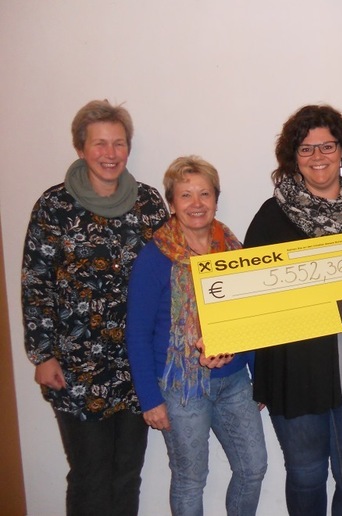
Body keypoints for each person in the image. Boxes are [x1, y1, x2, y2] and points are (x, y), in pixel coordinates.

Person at [244, 104, 342, 516]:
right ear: (293, 157)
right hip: (294, 372)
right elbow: (249, 299)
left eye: (327, 146)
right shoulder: (271, 216)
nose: (318, 156)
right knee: (305, 477)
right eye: (306, 148)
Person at [21, 99, 168, 515]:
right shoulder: (54, 206)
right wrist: (42, 354)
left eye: (119, 143)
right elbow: (36, 283)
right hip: (75, 367)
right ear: (81, 148)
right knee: (90, 474)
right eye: (100, 143)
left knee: (127, 473)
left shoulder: (149, 203)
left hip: (135, 364)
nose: (110, 153)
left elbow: (173, 276)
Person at [126, 156, 268, 516]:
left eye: (204, 193)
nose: (196, 203)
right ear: (172, 203)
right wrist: (150, 399)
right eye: (185, 195)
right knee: (190, 479)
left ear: (216, 199)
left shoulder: (233, 250)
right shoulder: (155, 258)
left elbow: (249, 317)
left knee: (253, 468)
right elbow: (138, 333)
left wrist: (261, 378)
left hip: (234, 381)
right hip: (180, 388)